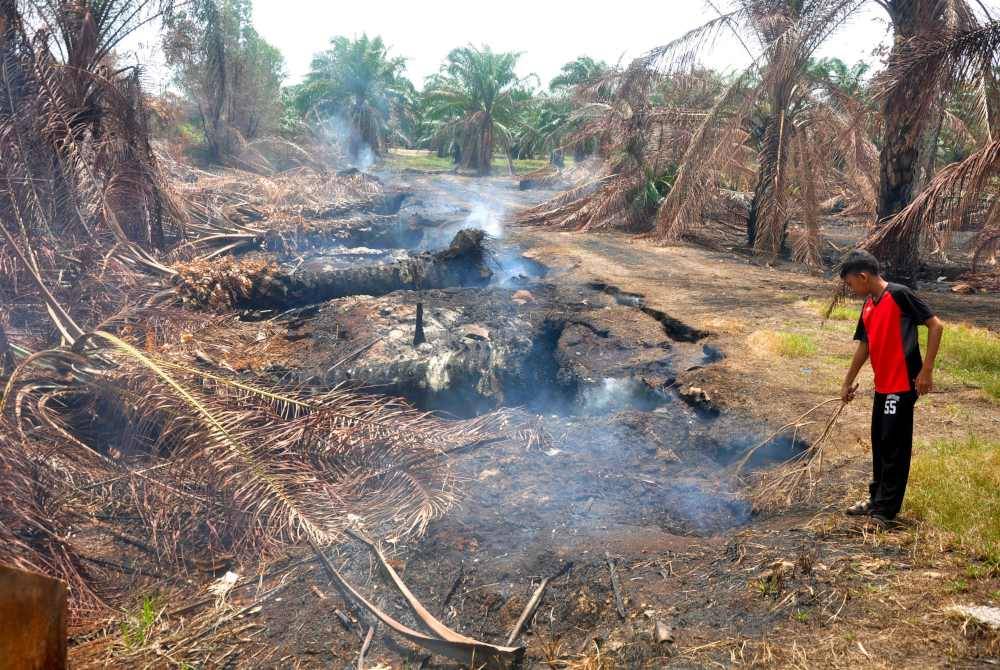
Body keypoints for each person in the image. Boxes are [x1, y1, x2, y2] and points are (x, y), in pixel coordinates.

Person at [838, 250, 945, 528]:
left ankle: (885, 512)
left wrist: (927, 370)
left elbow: (936, 325)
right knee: (879, 442)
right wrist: (848, 380)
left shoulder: (899, 295)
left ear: (863, 276)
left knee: (893, 445)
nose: (851, 290)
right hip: (883, 385)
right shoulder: (869, 305)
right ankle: (876, 499)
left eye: (851, 284)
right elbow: (865, 344)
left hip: (902, 383)